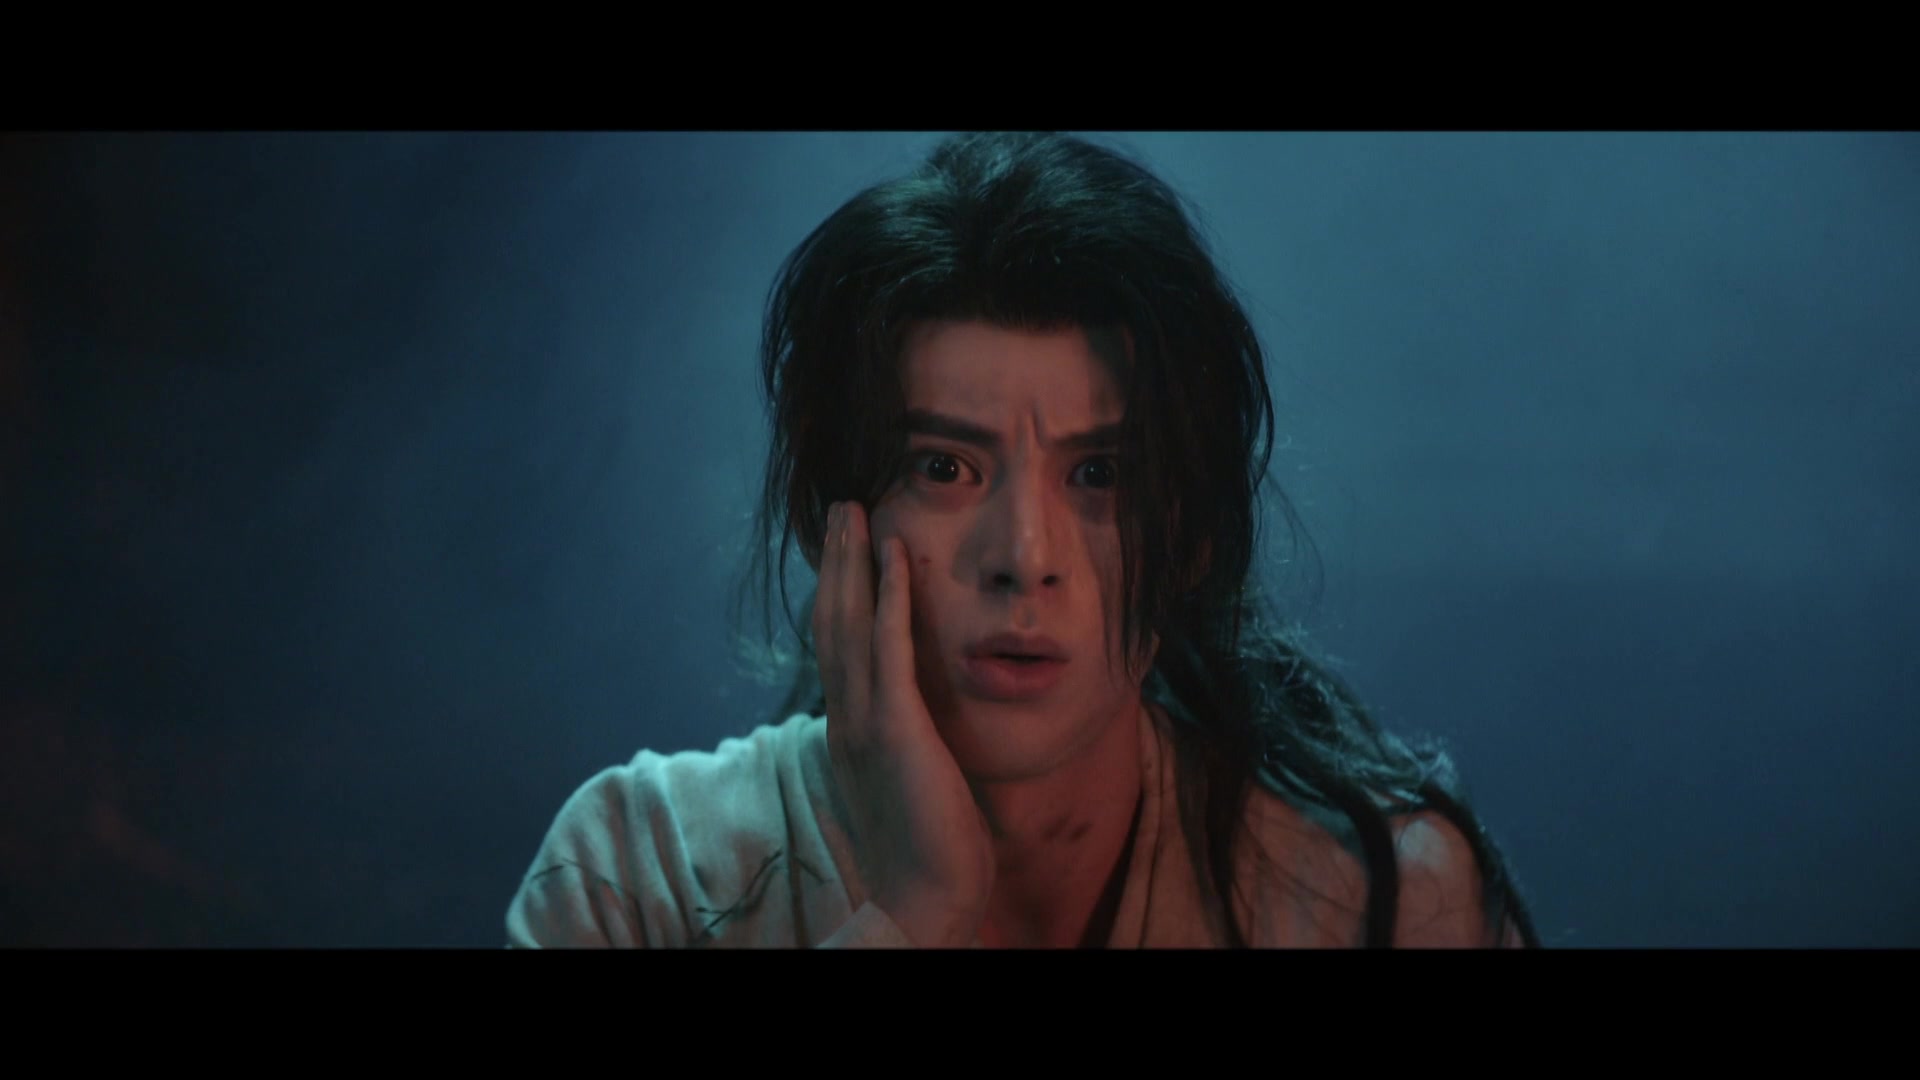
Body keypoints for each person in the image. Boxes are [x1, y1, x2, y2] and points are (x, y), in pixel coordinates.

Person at [505, 132, 1539, 948]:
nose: (1025, 556)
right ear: (833, 513)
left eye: (1102, 475)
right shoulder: (638, 877)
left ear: (1190, 532)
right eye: (944, 468)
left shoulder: (1380, 901)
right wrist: (915, 909)